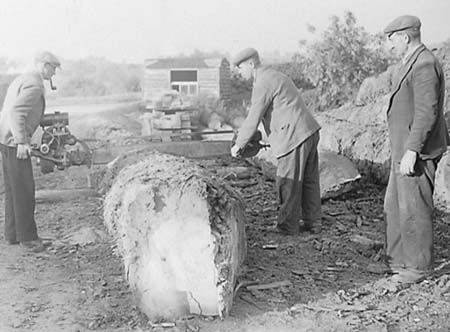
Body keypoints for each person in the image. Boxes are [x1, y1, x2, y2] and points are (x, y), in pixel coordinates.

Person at [378, 15, 449, 290]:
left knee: (414, 209)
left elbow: (426, 112)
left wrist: (412, 150)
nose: (390, 46)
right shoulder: (409, 63)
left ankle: (418, 267)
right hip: (402, 149)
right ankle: (398, 261)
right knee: (394, 207)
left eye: (392, 40)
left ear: (405, 38)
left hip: (415, 152)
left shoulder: (424, 65)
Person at [230, 47, 322, 235]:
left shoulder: (263, 83)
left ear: (251, 63)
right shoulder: (275, 76)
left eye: (241, 68)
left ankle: (287, 227)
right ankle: (314, 223)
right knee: (309, 181)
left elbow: (253, 117)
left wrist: (239, 145)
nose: (240, 73)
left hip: (294, 136)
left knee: (287, 181)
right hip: (308, 131)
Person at [0, 51, 61, 252]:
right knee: (25, 190)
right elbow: (17, 111)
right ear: (44, 65)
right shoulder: (34, 85)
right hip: (14, 141)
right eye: (53, 68)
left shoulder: (22, 78)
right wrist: (22, 142)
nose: (53, 73)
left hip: (5, 138)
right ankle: (29, 238)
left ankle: (13, 235)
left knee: (13, 189)